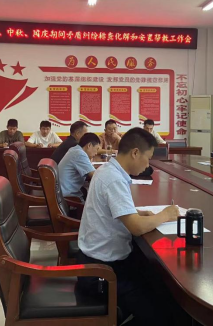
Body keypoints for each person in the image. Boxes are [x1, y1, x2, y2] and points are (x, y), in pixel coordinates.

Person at [77, 128, 180, 325]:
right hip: (102, 273)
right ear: (135, 153)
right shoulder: (113, 179)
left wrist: (138, 212)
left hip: (100, 262)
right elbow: (136, 228)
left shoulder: (108, 170)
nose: (148, 165)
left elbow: (114, 211)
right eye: (147, 158)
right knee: (163, 314)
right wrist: (165, 214)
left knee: (159, 283)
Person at [58, 133, 100, 201]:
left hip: (63, 191)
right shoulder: (79, 154)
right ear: (89, 145)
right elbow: (95, 176)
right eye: (97, 149)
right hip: (68, 196)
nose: (96, 153)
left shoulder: (75, 149)